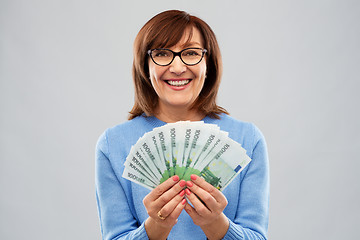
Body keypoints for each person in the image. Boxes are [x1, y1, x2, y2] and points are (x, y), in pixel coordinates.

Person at [95, 10, 269, 240]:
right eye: (163, 54)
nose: (177, 68)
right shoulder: (112, 145)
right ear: (145, 66)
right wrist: (156, 227)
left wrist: (216, 224)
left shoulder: (248, 140)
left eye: (190, 53)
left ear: (209, 64)